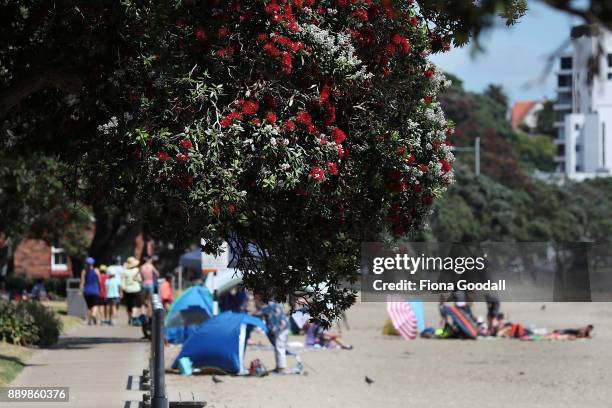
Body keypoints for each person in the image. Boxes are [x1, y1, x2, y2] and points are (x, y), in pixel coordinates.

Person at [255, 298, 290, 374]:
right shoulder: (273, 304)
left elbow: (257, 314)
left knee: (279, 347)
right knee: (278, 347)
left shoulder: (267, 306)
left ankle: (282, 368)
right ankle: (278, 367)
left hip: (281, 328)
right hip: (281, 327)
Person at [121, 256, 142, 326]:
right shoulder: (137, 270)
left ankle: (130, 318)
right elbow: (140, 279)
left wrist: (122, 290)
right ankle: (133, 316)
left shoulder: (125, 272)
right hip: (136, 289)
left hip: (127, 290)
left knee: (129, 305)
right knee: (135, 304)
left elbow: (122, 283)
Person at [80, 257, 101, 325]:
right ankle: (94, 315)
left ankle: (88, 321)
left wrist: (80, 290)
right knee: (95, 305)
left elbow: (82, 282)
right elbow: (99, 281)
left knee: (89, 306)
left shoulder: (84, 271)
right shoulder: (96, 270)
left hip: (87, 291)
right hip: (95, 290)